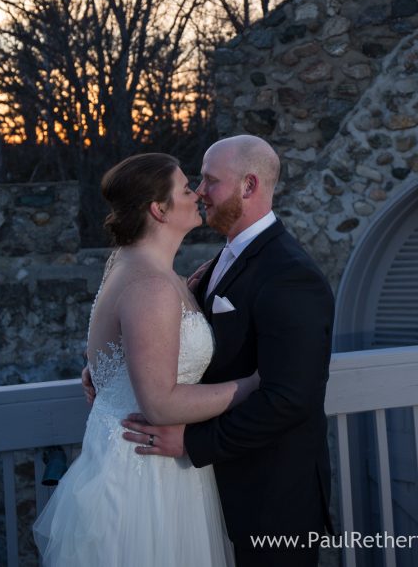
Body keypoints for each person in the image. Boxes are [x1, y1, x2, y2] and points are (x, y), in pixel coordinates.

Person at [34, 152, 260, 567]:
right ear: (159, 209)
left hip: (146, 463)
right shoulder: (150, 286)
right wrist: (253, 384)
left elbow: (122, 356)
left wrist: (102, 373)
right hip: (142, 478)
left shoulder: (132, 265)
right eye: (186, 189)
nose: (197, 195)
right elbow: (158, 404)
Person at [120, 135, 335, 567]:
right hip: (214, 492)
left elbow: (289, 399)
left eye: (211, 180)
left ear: (249, 186)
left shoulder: (291, 275)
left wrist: (192, 442)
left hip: (272, 502)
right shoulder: (224, 259)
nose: (200, 191)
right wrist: (111, 370)